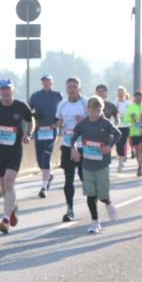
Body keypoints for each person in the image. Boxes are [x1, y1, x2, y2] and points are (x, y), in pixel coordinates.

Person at [0, 78, 33, 234]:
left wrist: (28, 134)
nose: (5, 92)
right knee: (4, 188)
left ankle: (5, 219)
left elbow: (31, 121)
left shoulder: (21, 106)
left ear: (12, 91)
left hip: (15, 150)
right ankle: (11, 209)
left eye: (8, 89)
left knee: (10, 182)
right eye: (2, 89)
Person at [71, 96, 121, 233]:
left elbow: (118, 134)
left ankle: (108, 203)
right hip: (87, 164)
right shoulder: (83, 124)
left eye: (98, 110)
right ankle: (95, 222)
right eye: (92, 110)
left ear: (101, 110)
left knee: (102, 194)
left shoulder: (105, 123)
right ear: (88, 110)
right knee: (90, 194)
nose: (95, 113)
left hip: (102, 164)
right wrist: (73, 149)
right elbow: (73, 137)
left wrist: (109, 146)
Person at [55, 77, 88, 222]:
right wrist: (59, 123)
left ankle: (94, 205)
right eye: (70, 87)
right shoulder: (62, 104)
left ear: (79, 88)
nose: (72, 89)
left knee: (84, 178)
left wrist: (85, 121)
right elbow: (58, 122)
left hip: (84, 147)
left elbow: (98, 118)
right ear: (66, 89)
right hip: (68, 145)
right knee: (68, 179)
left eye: (75, 87)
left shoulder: (86, 102)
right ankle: (69, 210)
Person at [28, 73, 62, 197]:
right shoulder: (36, 96)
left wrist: (58, 123)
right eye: (44, 81)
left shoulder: (58, 96)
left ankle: (43, 187)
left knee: (46, 156)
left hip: (51, 130)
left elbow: (62, 111)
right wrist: (32, 118)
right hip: (39, 130)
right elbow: (28, 111)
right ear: (42, 83)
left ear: (52, 83)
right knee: (39, 160)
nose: (46, 83)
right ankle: (49, 176)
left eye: (48, 81)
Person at [122, 90, 142, 176]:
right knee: (137, 151)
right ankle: (139, 165)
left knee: (141, 148)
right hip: (134, 132)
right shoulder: (130, 108)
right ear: (134, 98)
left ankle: (140, 166)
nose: (138, 99)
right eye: (136, 97)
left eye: (140, 97)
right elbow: (125, 120)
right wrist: (132, 119)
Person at [114, 86, 132, 172]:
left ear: (125, 93)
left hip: (126, 126)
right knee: (118, 144)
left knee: (122, 143)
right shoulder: (114, 103)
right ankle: (120, 160)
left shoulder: (129, 103)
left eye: (122, 92)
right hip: (116, 126)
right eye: (119, 92)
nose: (120, 93)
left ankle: (120, 163)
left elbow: (132, 114)